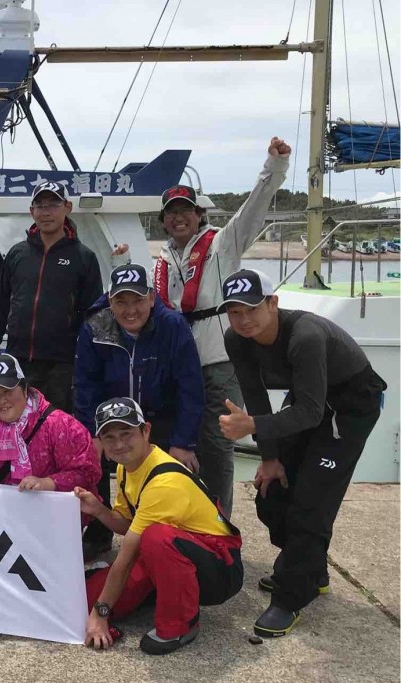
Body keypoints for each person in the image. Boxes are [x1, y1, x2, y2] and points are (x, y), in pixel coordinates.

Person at [218, 269, 386, 638]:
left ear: (273, 303)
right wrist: (269, 457)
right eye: (234, 311)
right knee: (271, 492)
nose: (243, 319)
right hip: (309, 399)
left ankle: (291, 597)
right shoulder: (237, 338)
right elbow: (256, 396)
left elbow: (307, 413)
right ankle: (312, 568)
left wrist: (255, 427)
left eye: (251, 308)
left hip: (349, 404)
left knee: (312, 503)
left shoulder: (304, 335)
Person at [152, 137, 292, 518]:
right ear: (163, 219)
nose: (178, 217)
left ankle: (220, 526)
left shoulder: (222, 245)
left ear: (198, 214)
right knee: (175, 444)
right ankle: (181, 518)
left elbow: (253, 210)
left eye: (185, 210)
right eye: (171, 212)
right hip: (178, 365)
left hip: (217, 361)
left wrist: (274, 167)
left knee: (216, 444)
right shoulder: (163, 260)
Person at [75, 397, 242, 655]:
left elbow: (128, 554)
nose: (119, 444)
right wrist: (98, 510)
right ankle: (158, 590)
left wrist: (102, 613)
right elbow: (127, 526)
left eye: (126, 433)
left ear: (146, 431)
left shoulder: (164, 482)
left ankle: (180, 624)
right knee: (81, 602)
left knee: (155, 537)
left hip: (220, 567)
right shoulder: (125, 466)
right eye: (109, 437)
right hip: (180, 549)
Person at [76, 263, 205, 558]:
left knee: (172, 476)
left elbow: (190, 386)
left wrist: (184, 443)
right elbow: (85, 383)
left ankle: (173, 541)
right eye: (121, 301)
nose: (130, 310)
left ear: (150, 298)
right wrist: (91, 433)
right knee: (91, 464)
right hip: (112, 418)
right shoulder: (95, 327)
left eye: (137, 300)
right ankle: (98, 533)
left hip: (160, 416)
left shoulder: (173, 325)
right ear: (110, 302)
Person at [0, 181, 103, 411]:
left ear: (67, 207)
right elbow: (1, 304)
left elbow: (93, 315)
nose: (46, 212)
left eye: (53, 204)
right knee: (17, 422)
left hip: (62, 364)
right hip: (18, 360)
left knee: (56, 427)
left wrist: (87, 359)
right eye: (39, 205)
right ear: (31, 211)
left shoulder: (84, 257)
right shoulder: (17, 253)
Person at [0, 354, 101, 527]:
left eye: (8, 391)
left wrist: (48, 483)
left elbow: (88, 472)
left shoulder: (61, 425)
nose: (2, 400)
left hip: (53, 523)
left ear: (25, 389)